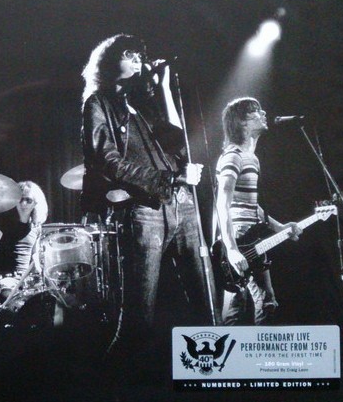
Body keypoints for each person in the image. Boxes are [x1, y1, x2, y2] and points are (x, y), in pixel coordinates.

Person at [80, 34, 215, 351]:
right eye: (129, 55)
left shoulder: (143, 104)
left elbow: (176, 141)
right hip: (144, 209)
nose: (138, 60)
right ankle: (125, 369)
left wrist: (164, 87)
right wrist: (170, 177)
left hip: (182, 204)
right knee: (139, 313)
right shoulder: (98, 104)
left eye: (140, 55)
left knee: (205, 300)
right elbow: (109, 162)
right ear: (110, 62)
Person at [215, 97, 301, 325]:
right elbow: (222, 202)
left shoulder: (251, 158)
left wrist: (279, 227)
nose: (264, 114)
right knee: (257, 304)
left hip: (251, 237)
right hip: (239, 239)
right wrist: (232, 249)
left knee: (255, 304)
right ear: (242, 122)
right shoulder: (233, 156)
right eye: (256, 111)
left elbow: (250, 205)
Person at [0, 180, 48, 276]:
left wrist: (38, 269)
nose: (23, 204)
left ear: (36, 203)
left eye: (28, 200)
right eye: (20, 199)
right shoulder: (3, 222)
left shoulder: (36, 226)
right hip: (2, 276)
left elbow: (34, 254)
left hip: (23, 279)